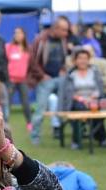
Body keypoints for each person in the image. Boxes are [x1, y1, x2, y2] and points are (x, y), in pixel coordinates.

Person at [28, 16, 71, 144]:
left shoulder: (62, 40)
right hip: (45, 79)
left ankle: (60, 133)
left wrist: (63, 68)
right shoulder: (40, 39)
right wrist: (41, 75)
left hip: (59, 77)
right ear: (56, 28)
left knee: (63, 106)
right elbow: (32, 60)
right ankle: (35, 137)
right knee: (40, 110)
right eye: (64, 30)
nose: (66, 33)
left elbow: (63, 58)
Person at [58, 47, 106, 149]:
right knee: (78, 109)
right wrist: (81, 99)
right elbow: (68, 93)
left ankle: (102, 139)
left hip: (93, 100)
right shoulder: (71, 75)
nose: (83, 61)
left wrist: (93, 97)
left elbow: (100, 89)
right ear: (75, 61)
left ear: (89, 60)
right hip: (77, 101)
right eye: (80, 58)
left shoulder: (95, 72)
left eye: (85, 58)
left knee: (97, 109)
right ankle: (76, 140)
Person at [6, 27, 32, 127]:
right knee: (7, 103)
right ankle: (5, 123)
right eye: (15, 33)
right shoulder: (9, 47)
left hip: (23, 80)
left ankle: (29, 123)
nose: (17, 35)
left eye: (19, 33)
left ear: (24, 35)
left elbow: (30, 65)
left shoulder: (28, 49)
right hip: (11, 80)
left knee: (26, 102)